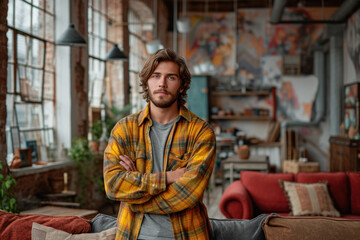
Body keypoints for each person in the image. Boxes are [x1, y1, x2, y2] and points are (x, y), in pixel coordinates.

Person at [103, 48, 216, 240]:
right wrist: (168, 178)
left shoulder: (200, 132)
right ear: (147, 82)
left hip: (187, 235)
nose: (162, 83)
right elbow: (113, 185)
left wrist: (134, 196)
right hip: (132, 233)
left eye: (171, 77)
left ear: (181, 86)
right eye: (155, 76)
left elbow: (188, 194)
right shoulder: (124, 129)